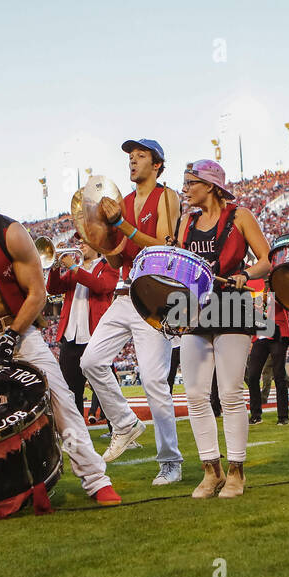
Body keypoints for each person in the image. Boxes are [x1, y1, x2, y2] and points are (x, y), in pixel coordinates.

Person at [0, 167, 121, 506]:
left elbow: (38, 294)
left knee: (61, 400)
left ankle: (96, 479)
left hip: (15, 327)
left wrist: (12, 336)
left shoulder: (12, 233)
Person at [79, 138, 184, 485]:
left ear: (157, 164)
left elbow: (167, 246)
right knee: (90, 361)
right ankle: (125, 423)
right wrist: (96, 237)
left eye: (141, 156)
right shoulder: (121, 202)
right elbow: (116, 255)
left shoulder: (167, 197)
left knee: (155, 382)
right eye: (130, 157)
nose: (132, 161)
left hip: (156, 295)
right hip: (125, 293)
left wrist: (121, 225)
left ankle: (171, 461)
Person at [173, 159, 271, 497]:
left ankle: (236, 472)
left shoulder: (240, 216)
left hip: (232, 304)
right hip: (192, 308)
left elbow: (265, 260)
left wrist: (246, 274)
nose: (185, 189)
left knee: (230, 392)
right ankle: (210, 470)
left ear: (211, 185)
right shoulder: (185, 222)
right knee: (196, 394)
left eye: (190, 183)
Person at [47, 239, 116, 421]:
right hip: (71, 337)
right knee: (71, 390)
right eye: (80, 241)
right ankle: (78, 434)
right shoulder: (74, 269)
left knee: (105, 389)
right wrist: (55, 266)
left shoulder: (109, 265)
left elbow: (100, 286)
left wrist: (73, 268)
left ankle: (119, 430)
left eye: (86, 241)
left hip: (95, 337)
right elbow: (52, 288)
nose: (81, 244)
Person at [246, 287, 289, 425]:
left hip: (278, 334)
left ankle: (283, 416)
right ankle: (256, 414)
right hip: (261, 336)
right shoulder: (258, 295)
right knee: (252, 376)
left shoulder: (280, 293)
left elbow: (284, 306)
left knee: (279, 376)